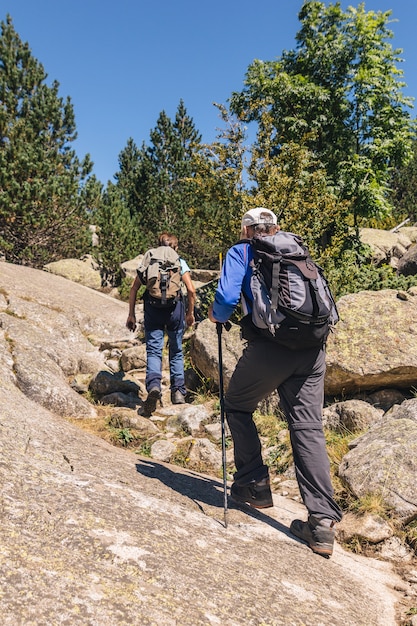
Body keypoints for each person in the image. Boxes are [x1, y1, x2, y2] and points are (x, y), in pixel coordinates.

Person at [208, 207, 342, 557]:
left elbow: (225, 299)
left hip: (271, 349)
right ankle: (322, 523)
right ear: (276, 228)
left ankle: (254, 483)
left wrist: (216, 315)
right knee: (308, 428)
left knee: (236, 405)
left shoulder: (243, 251)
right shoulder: (298, 250)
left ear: (246, 230)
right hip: (313, 351)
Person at [126, 232, 196, 416]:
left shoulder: (150, 261)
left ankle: (154, 386)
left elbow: (134, 289)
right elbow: (191, 290)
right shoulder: (179, 262)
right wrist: (190, 313)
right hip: (175, 311)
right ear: (176, 247)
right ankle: (178, 392)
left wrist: (131, 315)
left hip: (153, 309)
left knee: (154, 350)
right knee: (176, 350)